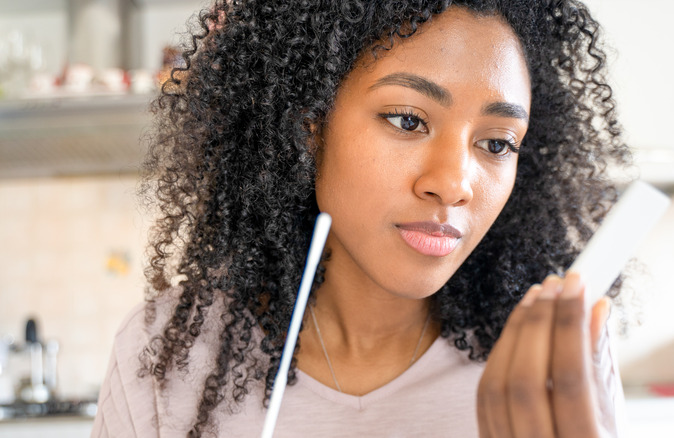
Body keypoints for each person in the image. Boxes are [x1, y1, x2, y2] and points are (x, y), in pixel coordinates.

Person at [92, 0, 632, 437]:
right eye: (407, 119)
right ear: (309, 126)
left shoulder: (553, 353)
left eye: (496, 143)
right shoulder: (166, 357)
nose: (454, 183)